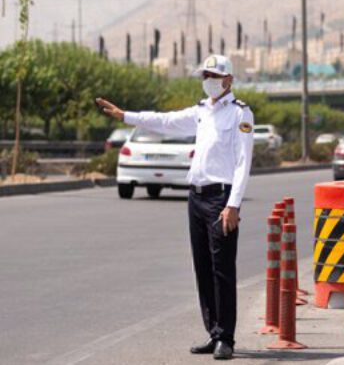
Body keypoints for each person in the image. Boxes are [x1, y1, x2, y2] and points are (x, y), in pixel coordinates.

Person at [96, 55, 254, 360]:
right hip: (195, 198)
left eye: (213, 75)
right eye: (204, 75)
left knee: (222, 270)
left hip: (220, 199)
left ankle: (226, 338)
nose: (207, 79)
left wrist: (233, 205)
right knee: (203, 268)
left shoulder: (240, 114)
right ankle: (213, 332)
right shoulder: (200, 112)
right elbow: (163, 120)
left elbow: (243, 163)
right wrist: (125, 115)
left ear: (228, 80)